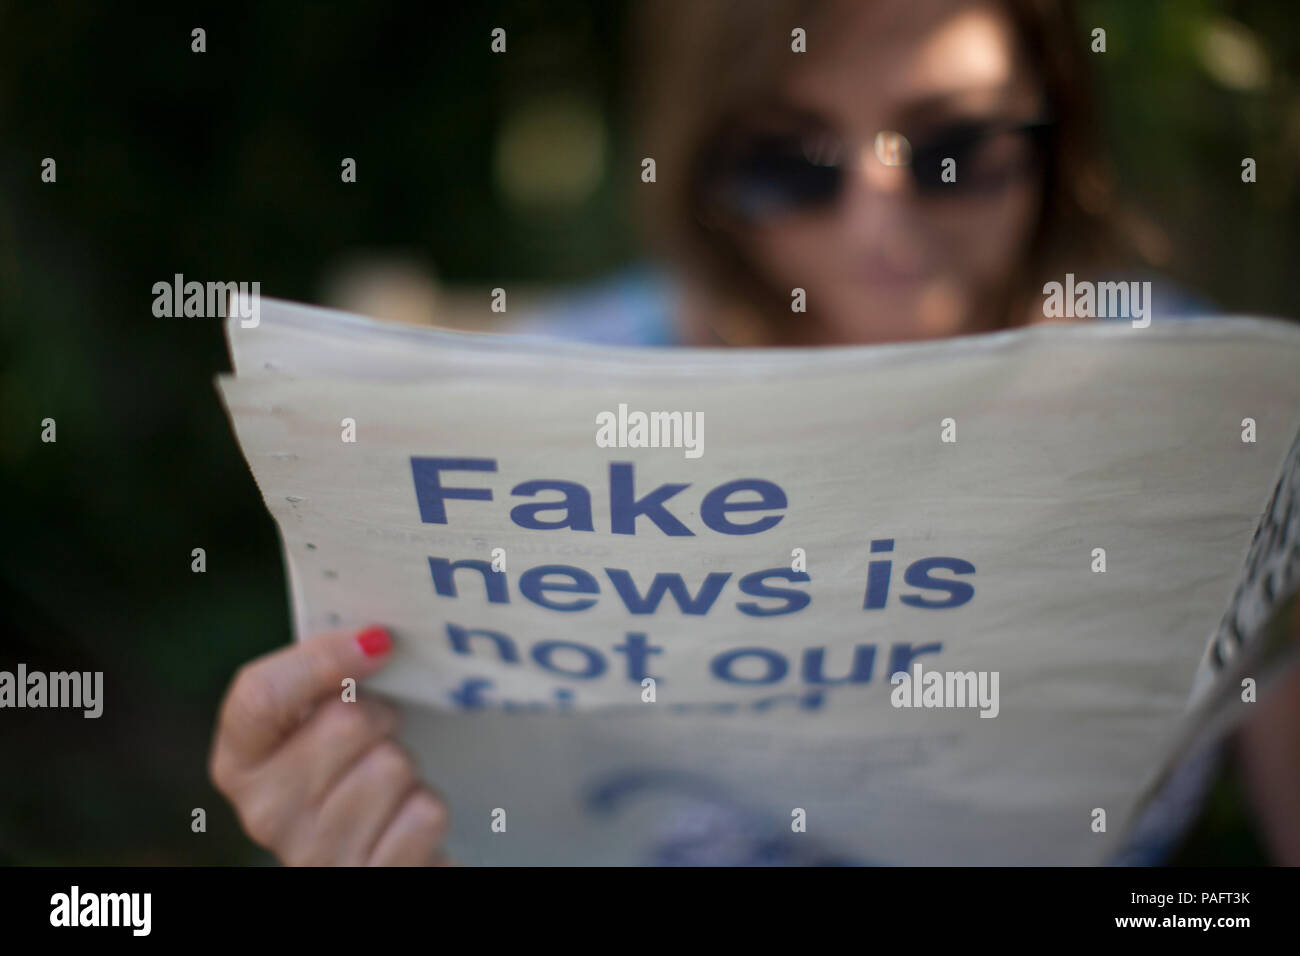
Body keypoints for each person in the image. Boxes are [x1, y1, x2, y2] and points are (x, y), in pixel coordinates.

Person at [208, 0, 1268, 866]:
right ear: (705, 165)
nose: (880, 226)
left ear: (1055, 114)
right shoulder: (551, 395)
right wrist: (357, 812)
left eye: (954, 148)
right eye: (789, 164)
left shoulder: (1202, 395)